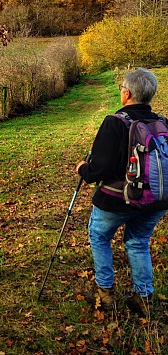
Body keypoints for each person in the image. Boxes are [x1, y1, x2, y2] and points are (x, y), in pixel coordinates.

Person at [76, 68, 167, 316]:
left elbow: (100, 169)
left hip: (117, 200)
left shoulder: (115, 122)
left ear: (126, 93)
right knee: (138, 242)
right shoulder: (162, 122)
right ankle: (144, 298)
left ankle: (104, 294)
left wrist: (84, 169)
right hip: (156, 200)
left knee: (99, 237)